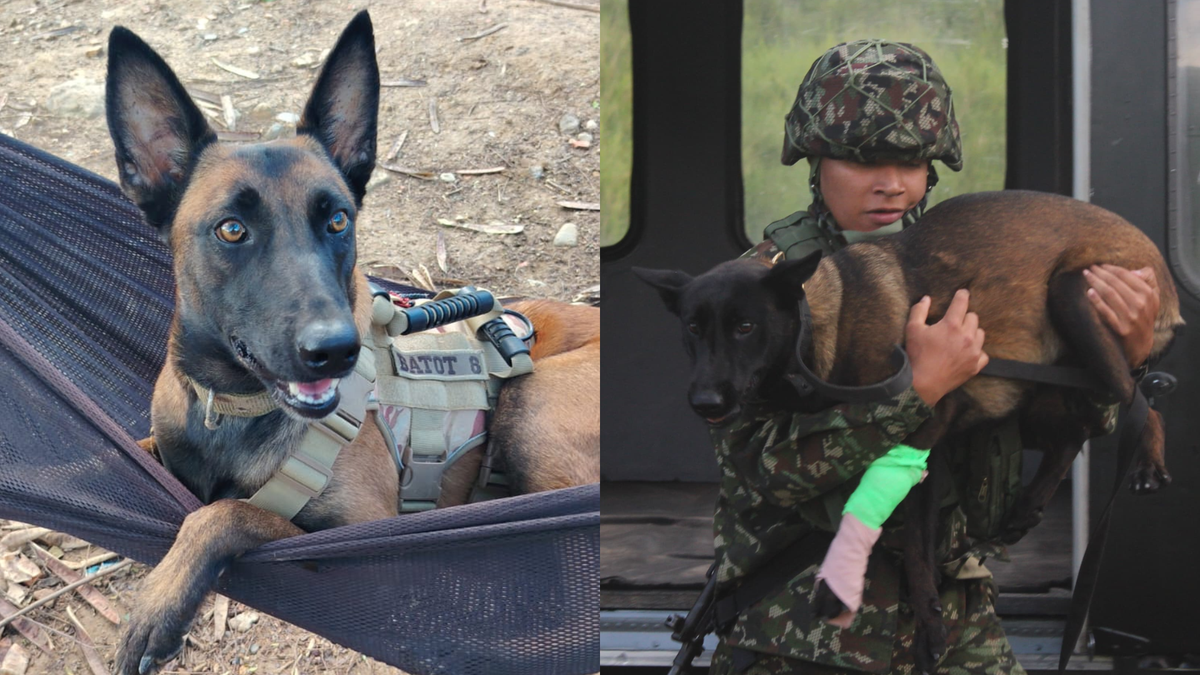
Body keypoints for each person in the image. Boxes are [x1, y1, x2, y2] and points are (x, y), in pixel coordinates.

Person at [707, 39, 1160, 675]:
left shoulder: (964, 271)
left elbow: (1042, 423)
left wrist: (1124, 360)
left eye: (913, 162)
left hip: (951, 616)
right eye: (862, 160)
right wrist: (916, 392)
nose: (892, 184)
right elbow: (764, 471)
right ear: (814, 160)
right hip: (803, 628)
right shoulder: (755, 293)